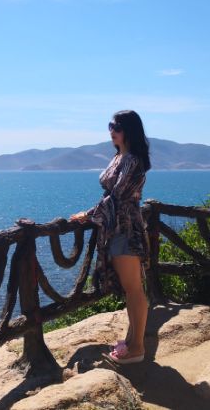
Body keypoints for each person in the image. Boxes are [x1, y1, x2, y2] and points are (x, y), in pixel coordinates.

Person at [70, 110, 151, 364]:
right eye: (110, 126)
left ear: (129, 130)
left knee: (134, 289)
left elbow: (117, 196)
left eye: (117, 127)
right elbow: (112, 195)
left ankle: (137, 348)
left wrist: (88, 214)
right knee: (130, 289)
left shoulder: (133, 161)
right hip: (117, 228)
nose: (112, 131)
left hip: (126, 229)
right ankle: (132, 341)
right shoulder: (119, 157)